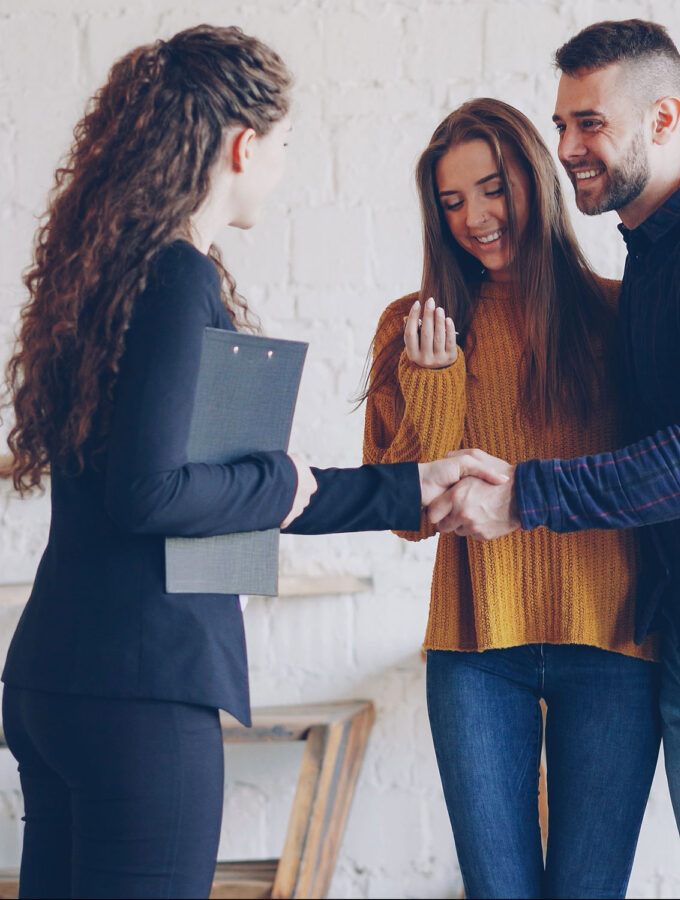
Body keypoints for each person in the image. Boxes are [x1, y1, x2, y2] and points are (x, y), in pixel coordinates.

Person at [0, 26, 502, 899]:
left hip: (57, 679)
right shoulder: (175, 278)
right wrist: (280, 479)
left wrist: (410, 485)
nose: (281, 163)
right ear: (243, 145)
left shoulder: (108, 277)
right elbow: (153, 494)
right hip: (140, 690)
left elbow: (219, 493)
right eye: (282, 144)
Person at [362, 99, 680, 898]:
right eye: (452, 202)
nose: (476, 218)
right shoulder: (416, 327)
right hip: (474, 653)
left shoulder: (618, 312)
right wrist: (435, 384)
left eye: (493, 188)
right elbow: (408, 513)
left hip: (613, 648)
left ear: (535, 181)